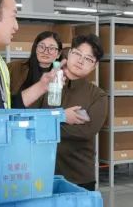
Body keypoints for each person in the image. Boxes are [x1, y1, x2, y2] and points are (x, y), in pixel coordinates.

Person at [39, 34, 107, 191]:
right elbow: (30, 119)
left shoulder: (97, 96)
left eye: (88, 59)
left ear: (95, 65)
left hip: (79, 177)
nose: (81, 61)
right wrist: (63, 117)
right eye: (77, 53)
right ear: (69, 54)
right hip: (42, 174)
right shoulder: (45, 85)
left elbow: (86, 131)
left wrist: (46, 125)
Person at [9, 31, 63, 98]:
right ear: (35, 49)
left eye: (51, 48)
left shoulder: (60, 75)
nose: (46, 52)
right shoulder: (15, 68)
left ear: (58, 54)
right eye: (41, 47)